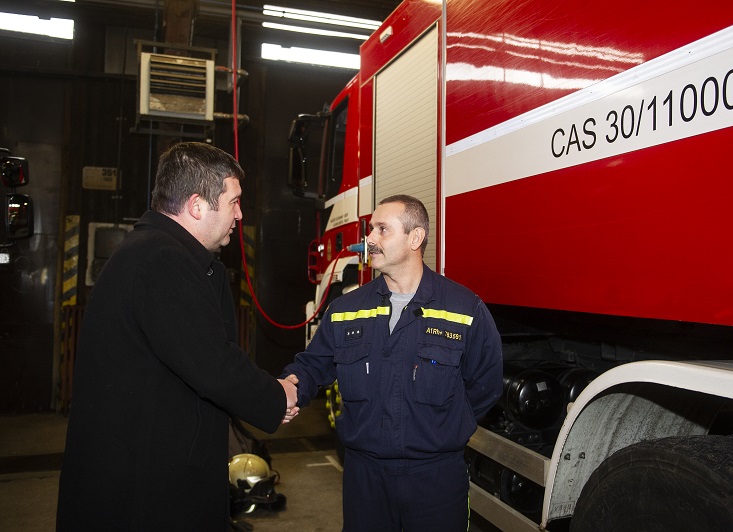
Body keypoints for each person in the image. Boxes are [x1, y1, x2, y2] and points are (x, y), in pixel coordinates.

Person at [57, 142, 299, 531]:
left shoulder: (161, 253)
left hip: (151, 468)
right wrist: (276, 395)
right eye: (234, 201)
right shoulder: (161, 259)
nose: (240, 214)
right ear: (197, 205)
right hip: (143, 487)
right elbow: (212, 363)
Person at [282, 194, 503, 531]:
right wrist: (290, 387)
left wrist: (443, 428)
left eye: (382, 229)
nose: (370, 239)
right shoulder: (346, 310)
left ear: (415, 238)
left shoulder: (464, 309)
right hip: (364, 481)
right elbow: (313, 366)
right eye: (371, 229)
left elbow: (485, 384)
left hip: (436, 481)